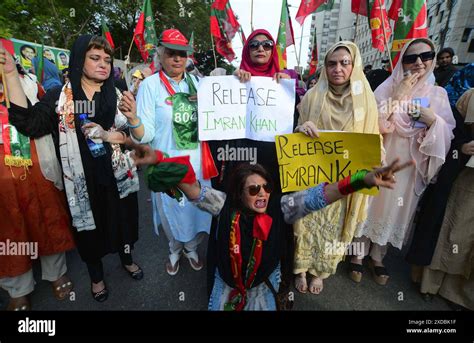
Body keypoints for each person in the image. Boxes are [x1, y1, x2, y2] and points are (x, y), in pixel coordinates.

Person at [132, 143, 413, 310]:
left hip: (263, 290)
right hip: (226, 288)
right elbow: (193, 190)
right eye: (253, 189)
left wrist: (362, 179)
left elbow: (321, 195)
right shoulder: (223, 205)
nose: (262, 194)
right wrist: (158, 158)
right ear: (239, 194)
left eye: (266, 187)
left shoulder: (282, 207)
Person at [4, 35, 141, 303]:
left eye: (106, 59)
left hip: (117, 175)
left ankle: (127, 259)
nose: (103, 64)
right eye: (95, 58)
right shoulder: (58, 98)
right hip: (81, 180)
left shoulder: (117, 92)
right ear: (79, 60)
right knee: (89, 231)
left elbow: (134, 139)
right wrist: (10, 73)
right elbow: (29, 123)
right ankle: (96, 277)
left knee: (123, 220)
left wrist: (122, 131)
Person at [352, 38, 456, 285]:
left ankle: (378, 255)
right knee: (370, 202)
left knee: (395, 208)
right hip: (381, 155)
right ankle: (356, 253)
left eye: (426, 56)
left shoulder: (437, 94)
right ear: (402, 62)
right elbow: (368, 124)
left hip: (410, 163)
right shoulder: (386, 88)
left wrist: (433, 121)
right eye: (411, 58)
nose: (419, 62)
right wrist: (398, 96)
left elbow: (448, 132)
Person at [213, 29, 294, 304]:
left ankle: (270, 274)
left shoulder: (284, 85)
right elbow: (220, 125)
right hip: (241, 165)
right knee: (237, 220)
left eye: (267, 44)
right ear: (247, 51)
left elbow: (291, 128)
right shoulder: (235, 83)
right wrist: (234, 85)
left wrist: (287, 94)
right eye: (254, 45)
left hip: (273, 167)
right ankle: (234, 273)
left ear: (273, 50)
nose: (261, 48)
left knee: (271, 220)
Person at [293, 41, 381, 294]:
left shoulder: (366, 100)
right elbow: (297, 131)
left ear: (354, 66)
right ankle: (300, 268)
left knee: (334, 226)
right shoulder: (312, 96)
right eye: (332, 63)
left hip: (345, 179)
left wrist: (375, 159)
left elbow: (373, 137)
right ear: (325, 67)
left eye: (345, 63)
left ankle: (320, 271)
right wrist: (301, 130)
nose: (338, 69)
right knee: (306, 221)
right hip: (312, 176)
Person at [129, 28, 211, 276]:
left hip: (196, 162)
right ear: (160, 55)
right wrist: (133, 120)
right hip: (166, 162)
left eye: (182, 54)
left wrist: (207, 106)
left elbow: (215, 123)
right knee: (171, 210)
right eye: (171, 53)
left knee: (195, 209)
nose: (177, 59)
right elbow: (145, 134)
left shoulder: (199, 84)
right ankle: (174, 248)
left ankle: (191, 247)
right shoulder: (150, 86)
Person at [0, 54, 75, 311]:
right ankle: (18, 287)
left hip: (35, 162)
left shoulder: (29, 81)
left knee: (47, 215)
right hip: (2, 170)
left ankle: (55, 272)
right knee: (7, 226)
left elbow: (43, 118)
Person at [415, 88, 474, 310]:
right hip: (462, 180)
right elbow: (449, 134)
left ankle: (462, 294)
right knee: (453, 231)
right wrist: (461, 148)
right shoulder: (470, 96)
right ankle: (430, 284)